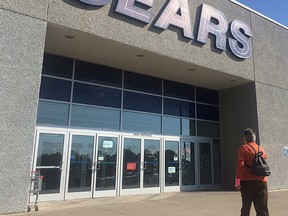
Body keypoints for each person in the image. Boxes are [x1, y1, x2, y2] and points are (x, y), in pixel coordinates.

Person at [235, 128, 269, 216]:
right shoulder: (261, 149)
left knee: (246, 207)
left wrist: (237, 182)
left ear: (244, 138)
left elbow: (240, 165)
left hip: (247, 182)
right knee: (262, 209)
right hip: (262, 182)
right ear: (254, 137)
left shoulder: (243, 148)